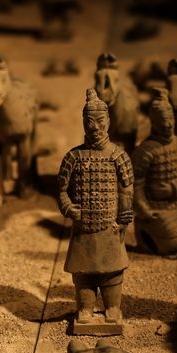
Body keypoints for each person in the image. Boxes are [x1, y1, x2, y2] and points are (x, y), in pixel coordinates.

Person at [58, 88, 134, 327]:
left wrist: (123, 219)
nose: (95, 127)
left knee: (112, 271)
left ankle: (113, 307)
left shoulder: (118, 156)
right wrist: (69, 208)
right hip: (83, 230)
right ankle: (85, 308)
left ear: (108, 121)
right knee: (84, 273)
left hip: (110, 228)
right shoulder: (73, 157)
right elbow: (62, 191)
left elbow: (126, 190)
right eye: (89, 122)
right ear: (83, 122)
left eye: (100, 121)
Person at [132, 87, 177, 255]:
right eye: (163, 121)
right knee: (171, 248)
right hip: (156, 208)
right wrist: (145, 211)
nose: (169, 125)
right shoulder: (145, 151)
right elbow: (134, 185)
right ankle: (147, 229)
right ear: (153, 122)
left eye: (171, 119)